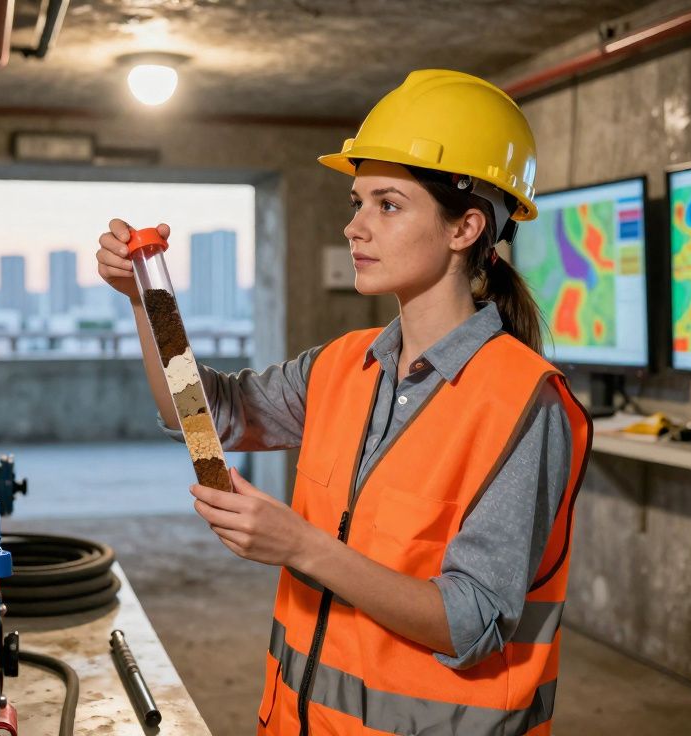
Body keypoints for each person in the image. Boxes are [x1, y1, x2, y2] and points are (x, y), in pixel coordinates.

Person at [95, 69, 592, 736]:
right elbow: (202, 413)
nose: (355, 227)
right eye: (357, 202)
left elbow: (473, 621)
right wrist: (146, 299)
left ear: (465, 227)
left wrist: (300, 545)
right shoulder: (342, 366)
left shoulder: (526, 404)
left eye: (387, 205)